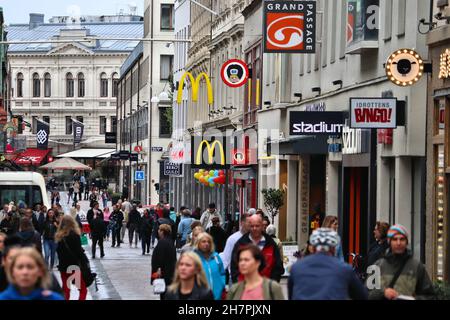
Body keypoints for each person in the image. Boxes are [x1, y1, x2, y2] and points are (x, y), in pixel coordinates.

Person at [288, 228, 368, 300]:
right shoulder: (344, 269)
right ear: (333, 248)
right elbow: (362, 296)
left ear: (313, 248)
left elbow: (291, 295)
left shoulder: (297, 268)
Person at [367, 224, 434, 300]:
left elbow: (430, 296)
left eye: (402, 239)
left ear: (406, 242)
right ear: (389, 242)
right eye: (395, 239)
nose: (398, 243)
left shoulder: (417, 266)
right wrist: (383, 292)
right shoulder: (378, 265)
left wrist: (414, 299)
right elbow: (367, 293)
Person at [231, 214, 284, 283]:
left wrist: (272, 284)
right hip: (246, 289)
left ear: (262, 226)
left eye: (257, 226)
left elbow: (277, 266)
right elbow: (234, 267)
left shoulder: (271, 244)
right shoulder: (241, 244)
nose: (254, 228)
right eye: (252, 226)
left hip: (266, 288)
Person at [55, 215, 89, 300]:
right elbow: (79, 252)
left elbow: (59, 253)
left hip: (63, 267)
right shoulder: (74, 235)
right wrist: (85, 263)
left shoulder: (59, 236)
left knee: (66, 289)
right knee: (82, 290)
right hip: (74, 267)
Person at [194, 232, 226, 300]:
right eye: (203, 241)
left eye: (209, 242)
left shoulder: (216, 256)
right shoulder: (194, 258)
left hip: (217, 296)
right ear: (198, 243)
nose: (206, 244)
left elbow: (222, 272)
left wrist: (222, 284)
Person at [151, 224, 177, 300]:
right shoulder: (170, 242)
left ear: (162, 231)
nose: (158, 231)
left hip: (164, 273)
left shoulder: (162, 242)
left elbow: (158, 260)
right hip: (170, 273)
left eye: (159, 229)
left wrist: (155, 274)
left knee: (164, 294)